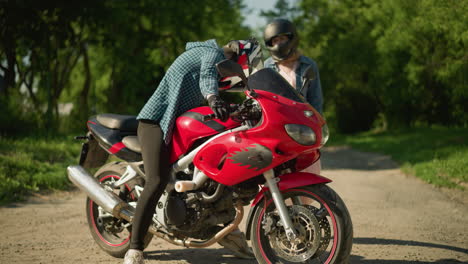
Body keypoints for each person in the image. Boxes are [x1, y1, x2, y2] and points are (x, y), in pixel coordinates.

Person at [123, 39, 257, 264]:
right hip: (155, 122)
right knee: (156, 180)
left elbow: (212, 89)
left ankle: (224, 229)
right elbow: (207, 80)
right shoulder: (213, 55)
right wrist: (214, 98)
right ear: (238, 57)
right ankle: (134, 249)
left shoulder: (212, 64)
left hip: (176, 124)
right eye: (245, 67)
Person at [263, 18, 324, 174]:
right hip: (277, 126)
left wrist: (318, 127)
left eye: (282, 38)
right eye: (275, 40)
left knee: (307, 172)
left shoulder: (308, 65)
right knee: (277, 175)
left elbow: (315, 99)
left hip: (302, 125)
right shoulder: (267, 65)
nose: (279, 43)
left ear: (291, 38)